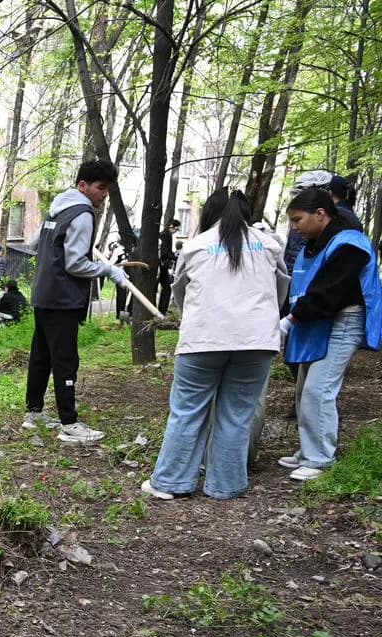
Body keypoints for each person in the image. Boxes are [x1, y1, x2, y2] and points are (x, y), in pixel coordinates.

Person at [141, 190, 287, 501]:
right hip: (257, 341)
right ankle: (226, 485)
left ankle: (170, 483)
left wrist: (194, 316)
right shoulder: (270, 245)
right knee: (237, 413)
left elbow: (181, 293)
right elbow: (279, 291)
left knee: (187, 411)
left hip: (203, 339)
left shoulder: (195, 246)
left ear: (210, 214)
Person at [23, 159, 130, 444]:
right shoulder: (82, 213)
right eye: (100, 188)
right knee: (65, 359)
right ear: (83, 186)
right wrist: (108, 269)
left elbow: (34, 245)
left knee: (42, 356)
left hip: (43, 293)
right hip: (63, 297)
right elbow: (75, 264)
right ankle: (69, 423)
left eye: (107, 190)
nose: (103, 195)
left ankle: (33, 413)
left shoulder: (57, 209)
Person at [278, 188, 381, 481]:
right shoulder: (315, 245)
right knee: (303, 389)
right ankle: (309, 449)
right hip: (313, 322)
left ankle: (321, 457)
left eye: (298, 219)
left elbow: (330, 291)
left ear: (320, 214)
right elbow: (300, 287)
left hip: (341, 321)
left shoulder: (350, 245)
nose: (295, 226)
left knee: (318, 390)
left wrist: (290, 320)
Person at [157, 219, 180, 314]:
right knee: (166, 288)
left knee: (165, 288)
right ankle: (162, 310)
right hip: (161, 266)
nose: (176, 232)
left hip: (162, 266)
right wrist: (174, 257)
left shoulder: (165, 234)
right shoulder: (166, 235)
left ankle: (161, 310)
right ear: (172, 226)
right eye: (176, 229)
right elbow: (164, 253)